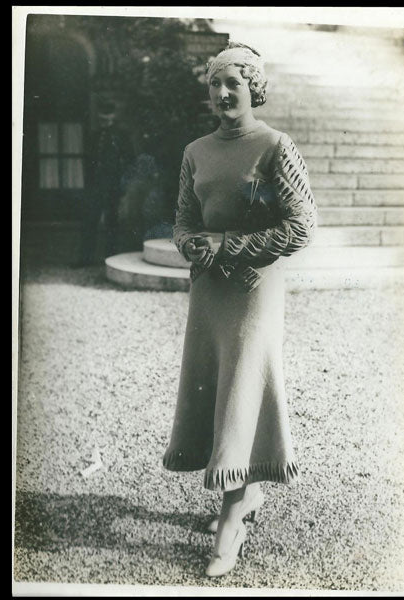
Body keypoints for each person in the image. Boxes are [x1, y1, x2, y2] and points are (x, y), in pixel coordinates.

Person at [162, 42, 317, 577]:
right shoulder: (195, 151)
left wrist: (227, 244)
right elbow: (183, 218)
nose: (224, 93)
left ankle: (232, 518)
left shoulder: (275, 146)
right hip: (210, 288)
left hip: (254, 285)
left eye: (235, 83)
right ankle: (244, 491)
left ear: (254, 87)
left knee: (242, 386)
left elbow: (302, 227)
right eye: (216, 84)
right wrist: (191, 245)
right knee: (218, 382)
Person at [73, 100, 132, 267]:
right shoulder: (95, 135)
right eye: (102, 115)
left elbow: (130, 160)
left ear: (114, 116)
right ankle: (85, 259)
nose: (104, 119)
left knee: (112, 223)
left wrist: (121, 181)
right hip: (94, 185)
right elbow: (88, 159)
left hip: (114, 184)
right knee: (89, 220)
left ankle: (111, 260)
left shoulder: (122, 135)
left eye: (108, 115)